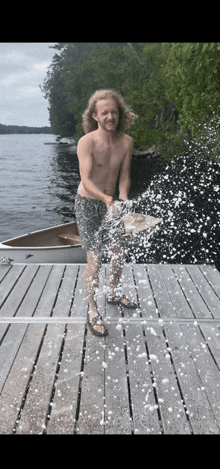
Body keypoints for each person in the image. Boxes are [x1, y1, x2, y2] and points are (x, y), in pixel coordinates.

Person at [75, 89, 137, 337]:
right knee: (95, 259)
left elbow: (124, 176)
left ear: (119, 113)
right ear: (95, 116)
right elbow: (86, 179)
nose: (111, 116)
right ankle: (92, 310)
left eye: (114, 111)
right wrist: (105, 198)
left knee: (118, 254)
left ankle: (111, 293)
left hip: (113, 204)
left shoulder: (127, 142)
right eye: (105, 113)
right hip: (89, 204)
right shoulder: (87, 142)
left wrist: (122, 199)